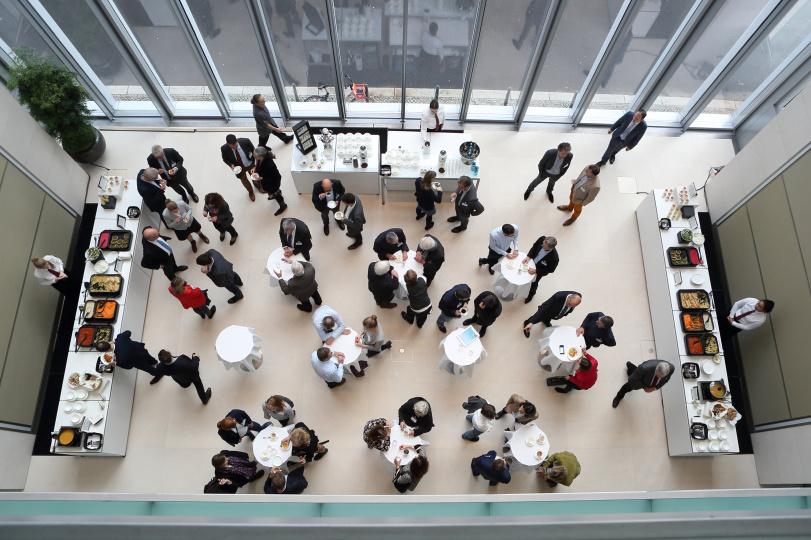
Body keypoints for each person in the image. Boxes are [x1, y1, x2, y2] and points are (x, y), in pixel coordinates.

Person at [95, 330, 160, 380]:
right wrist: (115, 340)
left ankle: (157, 374)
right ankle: (154, 362)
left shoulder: (120, 360)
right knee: (148, 357)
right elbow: (128, 332)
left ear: (106, 351)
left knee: (147, 368)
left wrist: (115, 363)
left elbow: (129, 367)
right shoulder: (120, 338)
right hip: (140, 350)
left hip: (138, 362)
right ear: (106, 341)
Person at [252, 146, 287, 216]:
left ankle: (283, 206)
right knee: (274, 193)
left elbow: (277, 176)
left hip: (273, 184)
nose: (253, 156)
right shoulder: (260, 159)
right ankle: (276, 193)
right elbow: (258, 167)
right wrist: (254, 168)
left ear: (260, 156)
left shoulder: (270, 165)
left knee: (277, 195)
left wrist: (262, 178)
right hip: (267, 183)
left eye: (254, 155)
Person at [220, 134, 256, 201]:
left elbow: (254, 151)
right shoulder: (224, 148)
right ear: (228, 144)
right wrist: (231, 165)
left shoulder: (246, 141)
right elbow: (225, 159)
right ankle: (250, 191)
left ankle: (257, 185)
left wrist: (256, 163)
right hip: (238, 168)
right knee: (244, 181)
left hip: (250, 163)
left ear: (237, 140)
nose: (234, 148)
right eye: (232, 147)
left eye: (236, 146)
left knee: (254, 176)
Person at [524, 235, 559, 304]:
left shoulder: (554, 258)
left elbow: (550, 270)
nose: (542, 245)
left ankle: (531, 295)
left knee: (534, 282)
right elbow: (534, 246)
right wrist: (529, 256)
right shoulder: (541, 239)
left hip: (539, 270)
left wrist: (536, 271)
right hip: (531, 262)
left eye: (544, 245)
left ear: (550, 248)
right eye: (543, 243)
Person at [418, 19, 444, 87]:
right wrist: (441, 59)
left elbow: (423, 29)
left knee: (423, 70)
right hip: (433, 58)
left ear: (429, 29)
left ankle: (423, 83)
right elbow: (441, 54)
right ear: (437, 30)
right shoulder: (438, 42)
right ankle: (432, 84)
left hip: (423, 54)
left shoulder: (424, 34)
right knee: (433, 73)